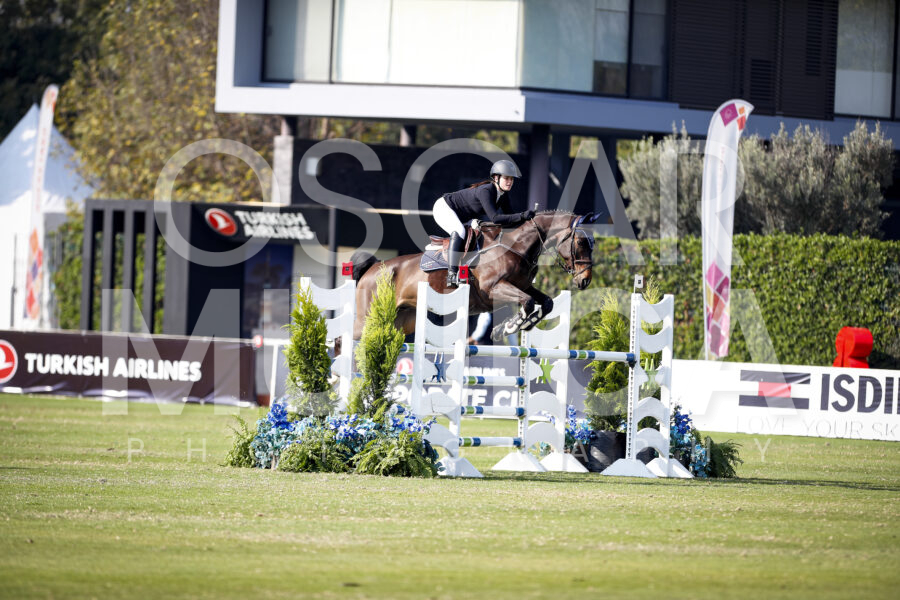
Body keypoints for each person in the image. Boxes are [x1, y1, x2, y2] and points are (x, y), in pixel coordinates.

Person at [432, 159, 535, 287]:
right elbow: (495, 218)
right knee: (460, 231)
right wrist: (522, 215)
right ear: (496, 178)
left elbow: (510, 218)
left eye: (512, 179)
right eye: (506, 178)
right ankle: (452, 274)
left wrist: (528, 222)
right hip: (443, 208)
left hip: (460, 215)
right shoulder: (486, 190)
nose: (510, 182)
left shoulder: (503, 195)